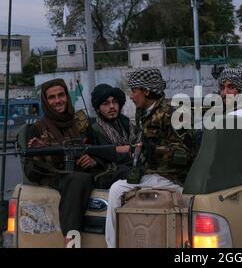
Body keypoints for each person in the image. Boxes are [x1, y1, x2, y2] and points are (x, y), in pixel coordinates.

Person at [105, 68, 192, 248]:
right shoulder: (142, 112)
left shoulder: (175, 114)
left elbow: (186, 155)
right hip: (152, 174)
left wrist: (153, 149)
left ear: (146, 91)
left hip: (171, 178)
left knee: (116, 189)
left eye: (134, 91)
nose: (131, 96)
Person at [24, 79, 105, 246]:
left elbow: (101, 153)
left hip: (88, 174)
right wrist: (39, 153)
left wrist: (93, 161)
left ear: (67, 97)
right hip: (58, 178)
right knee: (77, 179)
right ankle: (70, 240)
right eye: (52, 97)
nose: (58, 101)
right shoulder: (36, 129)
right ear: (46, 102)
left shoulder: (82, 124)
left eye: (61, 95)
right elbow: (31, 173)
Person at [89, 84, 136, 188]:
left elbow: (138, 143)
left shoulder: (125, 122)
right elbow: (104, 156)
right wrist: (126, 150)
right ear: (97, 109)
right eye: (106, 103)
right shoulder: (94, 129)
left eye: (114, 102)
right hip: (109, 173)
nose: (112, 106)